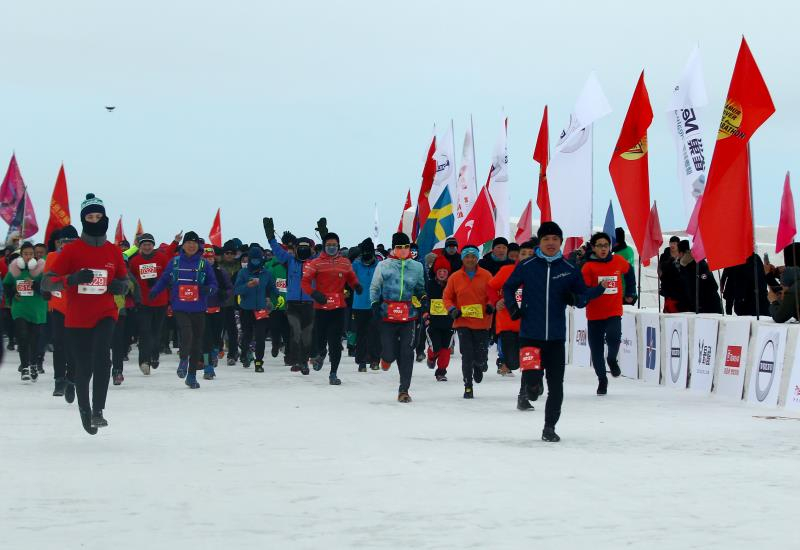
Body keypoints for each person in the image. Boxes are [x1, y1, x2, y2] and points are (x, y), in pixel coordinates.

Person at [503, 221, 607, 443]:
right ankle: (532, 386)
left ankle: (549, 427)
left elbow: (582, 297)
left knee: (556, 385)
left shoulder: (569, 269)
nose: (551, 243)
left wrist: (577, 298)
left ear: (560, 242)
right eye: (546, 239)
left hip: (556, 338)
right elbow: (508, 286)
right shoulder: (527, 265)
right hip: (529, 335)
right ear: (540, 242)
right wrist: (513, 308)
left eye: (555, 239)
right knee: (531, 383)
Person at [43, 193, 130, 434]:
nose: (95, 220)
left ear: (105, 218)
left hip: (105, 312)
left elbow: (125, 282)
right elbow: (47, 283)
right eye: (90, 217)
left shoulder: (113, 251)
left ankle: (98, 411)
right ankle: (85, 410)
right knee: (83, 367)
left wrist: (118, 287)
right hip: (77, 317)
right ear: (84, 220)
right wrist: (71, 279)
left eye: (98, 216)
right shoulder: (72, 251)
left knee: (103, 356)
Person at [149, 231, 218, 389]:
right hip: (179, 305)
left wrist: (208, 290)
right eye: (188, 242)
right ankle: (183, 359)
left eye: (194, 243)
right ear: (183, 245)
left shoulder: (203, 264)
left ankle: (191, 376)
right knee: (187, 333)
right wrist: (155, 291)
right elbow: (165, 278)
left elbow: (214, 284)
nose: (191, 245)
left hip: (198, 307)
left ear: (198, 246)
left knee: (197, 342)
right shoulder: (175, 262)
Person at [370, 232, 426, 402]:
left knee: (407, 352)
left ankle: (404, 390)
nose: (403, 250)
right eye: (399, 247)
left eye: (406, 247)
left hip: (408, 315)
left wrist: (423, 298)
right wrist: (374, 304)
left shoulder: (416, 267)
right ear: (393, 248)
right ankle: (386, 358)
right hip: (387, 314)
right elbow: (375, 287)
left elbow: (420, 288)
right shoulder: (384, 266)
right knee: (390, 352)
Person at [581, 232, 637, 395]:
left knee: (614, 337)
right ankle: (602, 380)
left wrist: (631, 291)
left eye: (606, 245)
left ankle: (612, 359)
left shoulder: (618, 261)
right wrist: (600, 288)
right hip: (594, 315)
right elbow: (585, 292)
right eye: (599, 246)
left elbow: (629, 272)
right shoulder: (588, 267)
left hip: (613, 311)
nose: (603, 249)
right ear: (593, 248)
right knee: (596, 350)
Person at [301, 232, 361, 385]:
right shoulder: (316, 263)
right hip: (321, 308)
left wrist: (356, 286)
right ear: (324, 246)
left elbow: (351, 277)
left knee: (335, 342)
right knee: (321, 339)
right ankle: (321, 353)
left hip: (338, 308)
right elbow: (305, 283)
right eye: (329, 245)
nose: (332, 248)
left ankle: (333, 373)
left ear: (338, 246)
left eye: (334, 245)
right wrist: (315, 294)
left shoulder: (345, 262)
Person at [264, 218, 317, 375]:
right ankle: (295, 360)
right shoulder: (289, 261)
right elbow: (276, 249)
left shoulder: (314, 262)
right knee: (295, 331)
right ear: (295, 249)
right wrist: (270, 236)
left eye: (305, 248)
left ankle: (304, 361)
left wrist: (324, 234)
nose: (303, 250)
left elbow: (326, 255)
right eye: (300, 247)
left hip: (308, 304)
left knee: (306, 334)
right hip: (292, 304)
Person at [488, 240, 537, 409]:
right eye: (523, 254)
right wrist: (496, 301)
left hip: (531, 327)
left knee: (530, 362)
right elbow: (490, 287)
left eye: (531, 255)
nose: (526, 257)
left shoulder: (540, 273)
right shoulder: (507, 271)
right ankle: (531, 380)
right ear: (517, 256)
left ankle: (524, 396)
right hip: (508, 325)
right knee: (514, 363)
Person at [444, 245, 493, 399]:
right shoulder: (455, 277)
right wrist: (452, 309)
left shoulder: (486, 275)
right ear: (462, 259)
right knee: (467, 354)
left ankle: (479, 366)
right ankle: (468, 386)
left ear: (477, 258)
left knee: (480, 356)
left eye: (473, 256)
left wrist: (491, 305)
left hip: (482, 322)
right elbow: (447, 297)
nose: (470, 259)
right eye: (467, 257)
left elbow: (494, 293)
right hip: (462, 321)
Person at [128, 232, 179, 374]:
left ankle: (154, 355)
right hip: (143, 303)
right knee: (145, 333)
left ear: (153, 245)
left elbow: (168, 275)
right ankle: (144, 361)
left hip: (160, 302)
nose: (147, 247)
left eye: (149, 244)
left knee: (156, 333)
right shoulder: (135, 261)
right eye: (144, 244)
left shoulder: (161, 258)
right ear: (140, 246)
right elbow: (131, 279)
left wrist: (158, 282)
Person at [3, 243, 47, 382]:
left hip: (37, 309)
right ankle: (25, 367)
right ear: (21, 255)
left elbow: (47, 288)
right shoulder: (15, 270)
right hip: (20, 307)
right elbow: (6, 285)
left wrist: (34, 284)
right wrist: (13, 292)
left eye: (30, 254)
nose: (28, 256)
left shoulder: (41, 269)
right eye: (25, 254)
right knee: (22, 336)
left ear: (34, 255)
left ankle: (34, 364)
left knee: (34, 339)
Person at [44, 226, 78, 399]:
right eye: (64, 242)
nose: (67, 245)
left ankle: (72, 379)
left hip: (76, 307)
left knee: (73, 345)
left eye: (72, 242)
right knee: (59, 344)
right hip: (57, 306)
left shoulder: (81, 257)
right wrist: (45, 290)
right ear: (59, 243)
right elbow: (46, 278)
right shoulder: (51, 256)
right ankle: (59, 380)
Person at [234, 244, 275, 372]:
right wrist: (248, 285)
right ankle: (245, 355)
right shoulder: (243, 272)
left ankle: (259, 362)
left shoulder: (266, 274)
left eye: (258, 259)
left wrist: (275, 298)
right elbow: (236, 290)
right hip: (246, 309)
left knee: (260, 337)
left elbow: (272, 289)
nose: (256, 261)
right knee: (247, 335)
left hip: (261, 310)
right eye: (253, 259)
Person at [351, 238, 381, 372]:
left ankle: (375, 360)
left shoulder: (379, 265)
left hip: (375, 304)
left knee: (375, 334)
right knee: (361, 334)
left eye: (369, 251)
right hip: (359, 305)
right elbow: (349, 280)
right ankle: (361, 361)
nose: (367, 254)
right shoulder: (356, 265)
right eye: (365, 252)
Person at [203, 245, 232, 378]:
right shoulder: (197, 272)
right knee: (205, 339)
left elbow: (230, 289)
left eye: (211, 258)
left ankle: (214, 354)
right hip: (202, 310)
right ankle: (207, 367)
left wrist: (224, 294)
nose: (209, 260)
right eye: (206, 258)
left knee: (216, 337)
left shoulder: (221, 272)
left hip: (219, 309)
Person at [424, 255, 455, 381]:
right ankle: (431, 357)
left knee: (446, 348)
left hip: (449, 323)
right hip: (433, 323)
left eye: (445, 271)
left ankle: (441, 371)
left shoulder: (452, 285)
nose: (442, 274)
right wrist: (425, 313)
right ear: (435, 272)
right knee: (436, 346)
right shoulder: (430, 285)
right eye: (439, 271)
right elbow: (424, 300)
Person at [111, 264, 140, 385]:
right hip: (96, 312)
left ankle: (117, 371)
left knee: (117, 342)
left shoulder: (120, 270)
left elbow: (132, 285)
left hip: (118, 311)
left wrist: (136, 299)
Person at [676, 240, 723, 314]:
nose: (677, 256)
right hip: (696, 308)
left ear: (682, 253)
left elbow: (712, 286)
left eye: (678, 253)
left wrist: (699, 303)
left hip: (709, 309)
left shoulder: (699, 265)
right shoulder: (684, 266)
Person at [265, 241, 290, 363]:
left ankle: (286, 353)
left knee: (285, 330)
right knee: (279, 329)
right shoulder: (270, 266)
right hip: (276, 304)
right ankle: (276, 345)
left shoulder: (291, 265)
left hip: (287, 303)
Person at [218, 241, 241, 365]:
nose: (229, 255)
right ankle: (217, 350)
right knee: (218, 329)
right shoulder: (219, 266)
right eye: (227, 253)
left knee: (233, 330)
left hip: (234, 303)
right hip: (220, 302)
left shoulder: (239, 266)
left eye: (232, 253)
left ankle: (232, 353)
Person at [658, 236, 684, 313]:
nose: (672, 245)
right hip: (668, 286)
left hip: (680, 287)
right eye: (671, 243)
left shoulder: (682, 254)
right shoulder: (664, 255)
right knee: (668, 308)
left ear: (678, 244)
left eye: (674, 243)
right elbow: (660, 268)